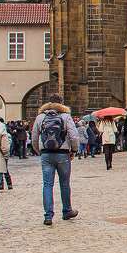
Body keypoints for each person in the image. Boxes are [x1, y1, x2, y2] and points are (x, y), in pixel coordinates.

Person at [30, 95, 79, 226]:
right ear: (61, 103)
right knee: (64, 183)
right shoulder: (65, 116)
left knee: (47, 184)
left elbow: (34, 136)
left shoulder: (40, 117)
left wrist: (39, 151)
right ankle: (67, 210)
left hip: (46, 154)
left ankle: (48, 216)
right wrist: (74, 150)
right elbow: (73, 135)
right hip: (62, 153)